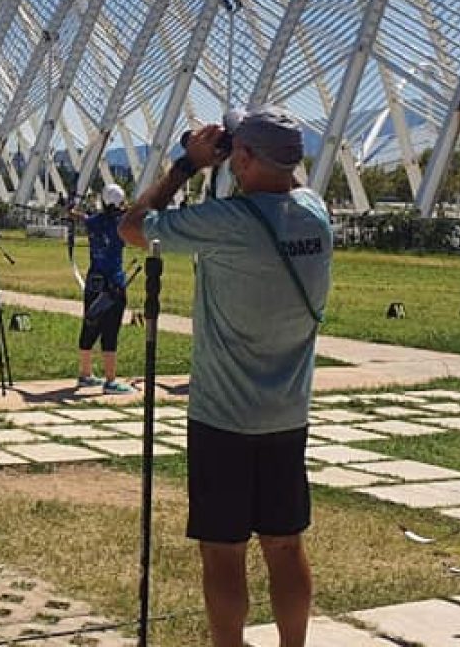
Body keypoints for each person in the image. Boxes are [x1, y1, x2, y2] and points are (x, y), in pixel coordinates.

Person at [118, 105, 331, 647]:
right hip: (287, 415)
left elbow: (133, 227)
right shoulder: (315, 213)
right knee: (285, 544)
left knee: (223, 549)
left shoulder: (226, 224)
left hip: (223, 418)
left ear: (242, 157)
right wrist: (252, 157)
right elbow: (285, 187)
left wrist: (185, 166)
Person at [74, 183, 133, 394]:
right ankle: (110, 381)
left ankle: (85, 374)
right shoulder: (121, 224)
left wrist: (75, 213)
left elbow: (85, 218)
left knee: (89, 324)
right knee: (110, 330)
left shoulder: (94, 222)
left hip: (94, 282)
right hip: (113, 284)